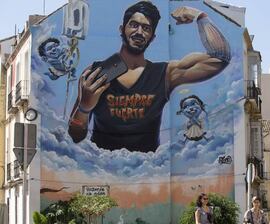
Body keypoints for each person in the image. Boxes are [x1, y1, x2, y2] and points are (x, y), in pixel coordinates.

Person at [68, 0, 231, 152]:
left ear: (152, 37)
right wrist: (84, 108)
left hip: (149, 173)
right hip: (104, 172)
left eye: (146, 28)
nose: (139, 32)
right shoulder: (97, 73)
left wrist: (199, 16)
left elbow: (221, 57)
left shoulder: (165, 74)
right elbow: (76, 135)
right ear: (122, 29)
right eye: (133, 25)